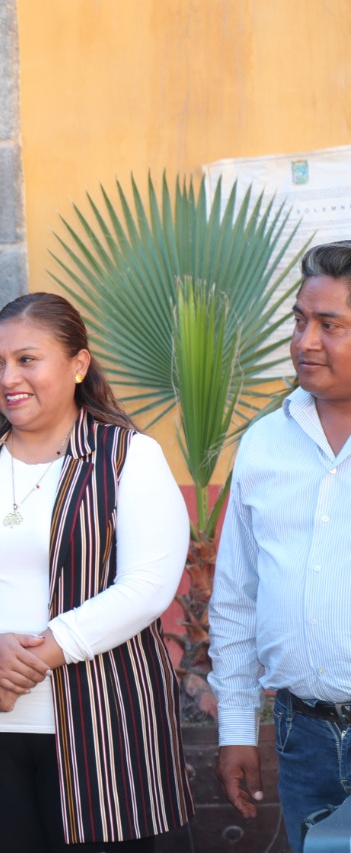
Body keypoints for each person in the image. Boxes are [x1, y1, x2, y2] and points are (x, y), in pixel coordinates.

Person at [0, 292, 192, 852]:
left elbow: (146, 588)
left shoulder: (128, 457)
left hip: (104, 730)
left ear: (78, 364)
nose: (8, 377)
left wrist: (26, 660)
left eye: (27, 359)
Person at [209, 240, 351, 853]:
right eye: (299, 320)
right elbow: (236, 597)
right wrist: (238, 729)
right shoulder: (264, 445)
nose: (304, 342)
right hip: (302, 737)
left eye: (330, 325)